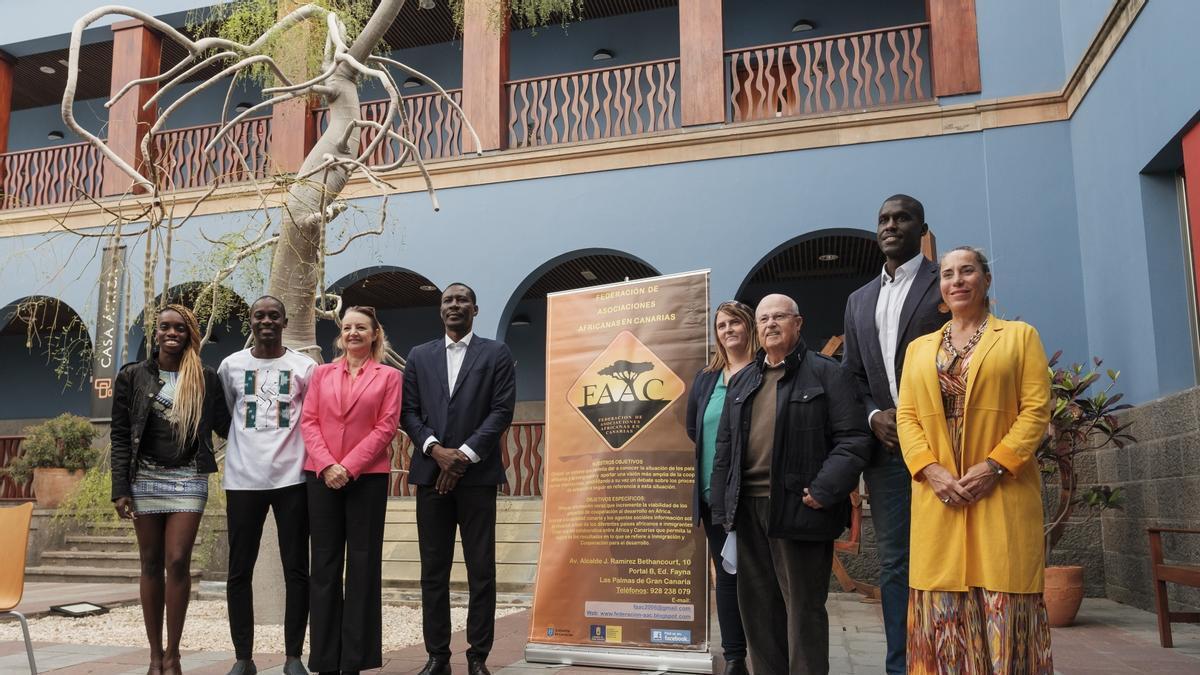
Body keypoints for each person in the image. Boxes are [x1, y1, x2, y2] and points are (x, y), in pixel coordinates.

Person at [896, 247, 1053, 673]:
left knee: (1005, 604)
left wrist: (995, 465)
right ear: (941, 288)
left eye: (967, 271)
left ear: (985, 280)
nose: (957, 280)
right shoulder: (918, 349)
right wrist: (930, 470)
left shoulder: (1020, 336)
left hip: (1001, 492)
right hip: (939, 495)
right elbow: (906, 417)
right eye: (948, 274)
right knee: (941, 614)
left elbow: (1036, 410)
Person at [711, 294, 872, 674]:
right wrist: (722, 509)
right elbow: (725, 447)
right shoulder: (744, 379)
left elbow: (854, 439)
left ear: (797, 323)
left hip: (799, 506)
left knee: (803, 610)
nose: (770, 324)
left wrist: (823, 490)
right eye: (763, 318)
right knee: (757, 609)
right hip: (747, 510)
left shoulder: (827, 373)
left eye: (779, 317)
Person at [841, 194, 949, 674]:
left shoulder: (943, 283)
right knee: (895, 563)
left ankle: (948, 657)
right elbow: (853, 376)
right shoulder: (859, 300)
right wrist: (872, 416)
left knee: (948, 554)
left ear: (921, 227)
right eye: (883, 219)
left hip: (946, 444)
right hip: (887, 452)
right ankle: (900, 665)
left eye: (901, 217)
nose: (890, 225)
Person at [401, 283, 517, 675]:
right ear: (440, 310)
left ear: (475, 309)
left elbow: (501, 412)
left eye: (461, 300)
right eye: (448, 300)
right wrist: (437, 452)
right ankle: (437, 656)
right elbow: (409, 413)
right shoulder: (419, 356)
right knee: (433, 570)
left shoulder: (496, 353)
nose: (454, 305)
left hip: (478, 476)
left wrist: (462, 457)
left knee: (480, 569)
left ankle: (478, 657)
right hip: (430, 475)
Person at [111, 304, 230, 675]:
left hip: (189, 477)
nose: (172, 333)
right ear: (156, 332)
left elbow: (227, 425)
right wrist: (120, 487)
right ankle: (153, 654)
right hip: (144, 477)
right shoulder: (132, 376)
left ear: (189, 333)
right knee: (150, 563)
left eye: (179, 328)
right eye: (165, 327)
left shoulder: (206, 378)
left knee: (177, 560)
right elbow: (119, 435)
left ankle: (174, 654)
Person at [300, 305, 401, 675]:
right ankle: (326, 659)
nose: (353, 333)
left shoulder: (389, 377)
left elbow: (386, 426)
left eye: (361, 327)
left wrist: (350, 466)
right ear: (340, 335)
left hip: (367, 479)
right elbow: (309, 421)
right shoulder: (321, 374)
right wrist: (328, 465)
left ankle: (354, 660)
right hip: (322, 477)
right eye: (347, 328)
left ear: (375, 333)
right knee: (324, 567)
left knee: (362, 565)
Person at [217, 296, 315, 675]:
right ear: (251, 322)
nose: (267, 321)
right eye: (260, 316)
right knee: (239, 571)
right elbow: (228, 414)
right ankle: (243, 657)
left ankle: (294, 656)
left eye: (274, 316)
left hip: (293, 479)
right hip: (243, 481)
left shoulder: (304, 367)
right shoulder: (231, 366)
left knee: (297, 570)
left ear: (285, 321)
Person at [685, 300, 756, 675]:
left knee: (761, 578)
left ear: (750, 327)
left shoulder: (764, 371)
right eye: (722, 325)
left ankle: (770, 651)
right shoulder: (706, 379)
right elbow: (693, 429)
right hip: (715, 498)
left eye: (735, 323)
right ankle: (734, 657)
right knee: (726, 578)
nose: (728, 330)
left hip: (756, 496)